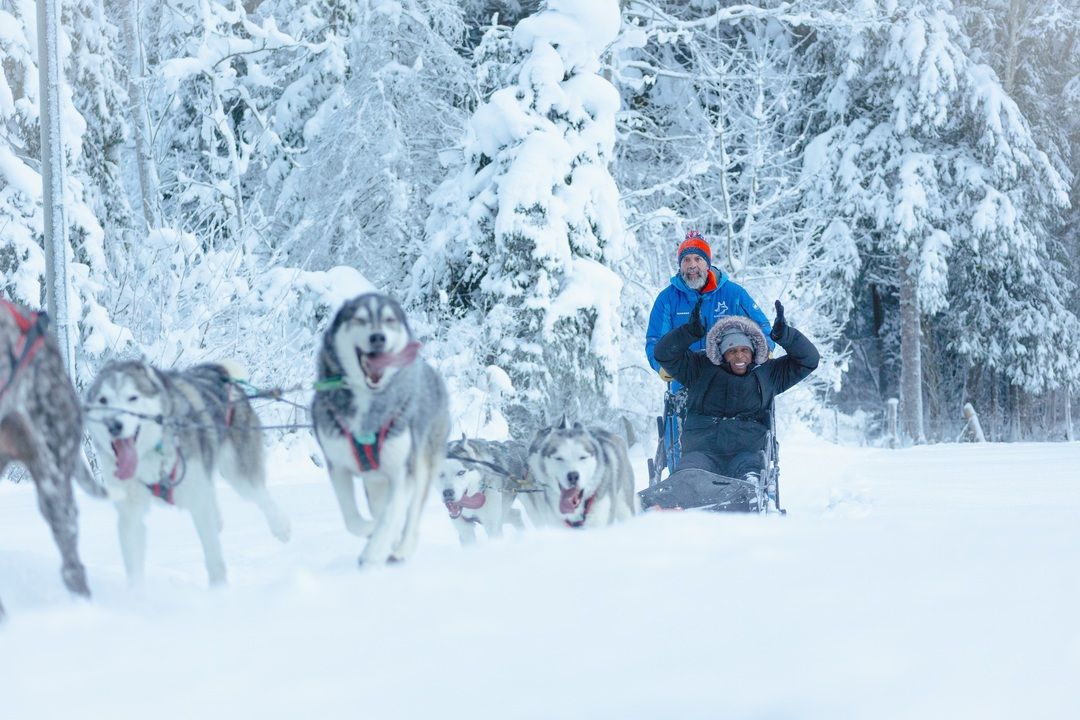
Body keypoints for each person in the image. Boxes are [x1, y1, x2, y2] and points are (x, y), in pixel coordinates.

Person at [639, 297, 818, 511]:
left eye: (744, 350)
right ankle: (665, 508)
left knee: (749, 479)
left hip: (747, 452)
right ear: (722, 354)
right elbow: (663, 354)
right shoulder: (699, 368)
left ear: (753, 351)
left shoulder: (769, 373)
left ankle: (748, 502)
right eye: (732, 351)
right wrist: (689, 332)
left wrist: (785, 335)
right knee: (688, 478)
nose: (739, 356)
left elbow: (809, 360)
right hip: (702, 451)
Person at [644, 230, 773, 474]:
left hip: (730, 380)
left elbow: (763, 328)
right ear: (680, 266)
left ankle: (747, 473)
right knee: (685, 436)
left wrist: (765, 351)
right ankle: (682, 477)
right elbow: (653, 341)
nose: (692, 266)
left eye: (697, 259)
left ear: (708, 263)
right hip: (686, 381)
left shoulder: (733, 294)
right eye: (686, 260)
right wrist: (660, 367)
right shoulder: (667, 299)